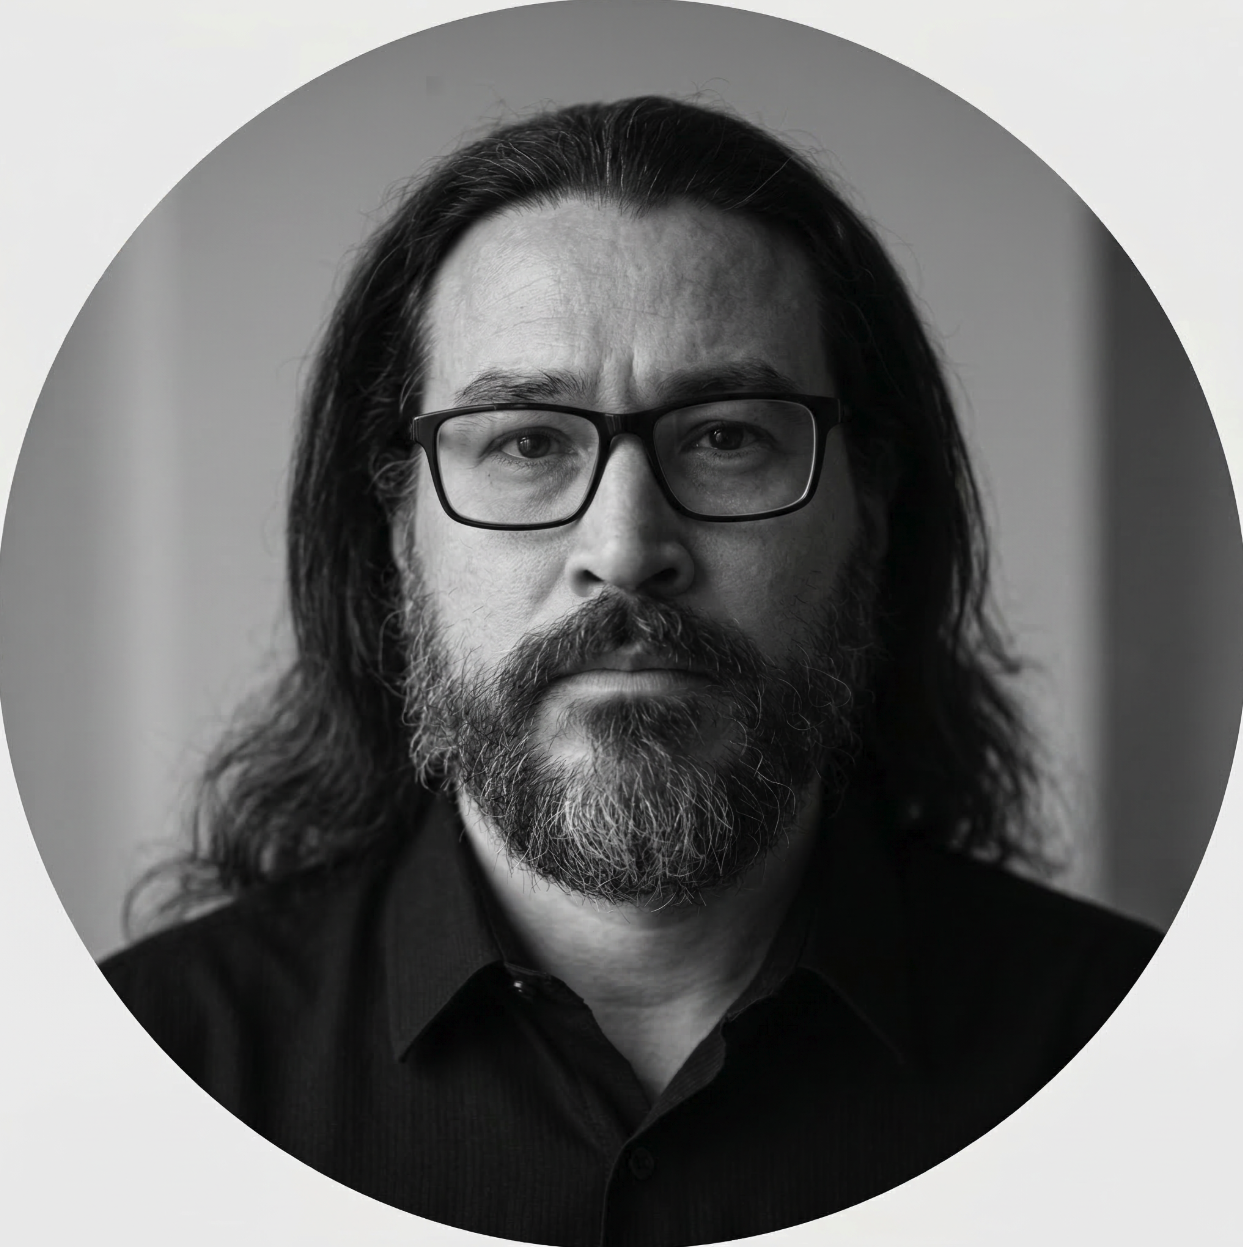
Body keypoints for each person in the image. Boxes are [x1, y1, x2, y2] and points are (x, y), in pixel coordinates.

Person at [102, 96, 1160, 1247]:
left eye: (724, 434)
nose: (623, 549)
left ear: (874, 508)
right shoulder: (142, 1079)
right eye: (524, 439)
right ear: (399, 528)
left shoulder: (1140, 1058)